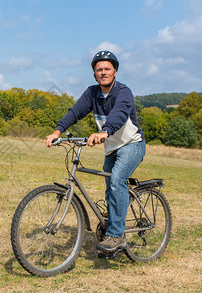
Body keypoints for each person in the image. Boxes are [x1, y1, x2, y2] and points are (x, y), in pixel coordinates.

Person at [45, 51, 146, 253]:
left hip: (131, 144)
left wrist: (104, 132)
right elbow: (75, 111)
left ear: (115, 71)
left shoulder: (123, 92)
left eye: (107, 68)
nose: (103, 72)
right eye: (99, 69)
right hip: (112, 148)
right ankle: (111, 230)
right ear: (94, 74)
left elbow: (118, 114)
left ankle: (116, 236)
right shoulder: (92, 93)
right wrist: (57, 131)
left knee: (117, 180)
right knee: (111, 189)